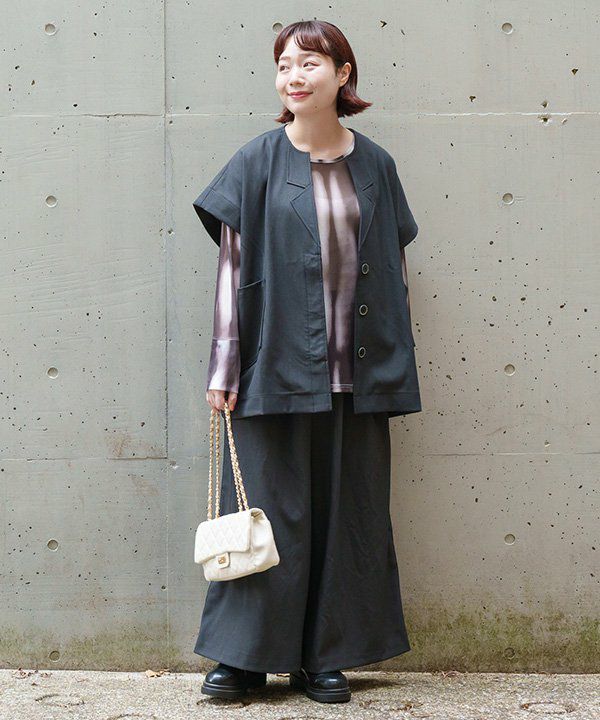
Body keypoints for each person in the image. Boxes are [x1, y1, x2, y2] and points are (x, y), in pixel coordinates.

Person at [192, 20, 421, 704]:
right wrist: (224, 366)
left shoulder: (375, 164)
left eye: (310, 62)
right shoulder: (255, 161)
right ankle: (243, 659)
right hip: (272, 365)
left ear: (343, 74)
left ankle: (326, 656)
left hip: (359, 372)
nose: (294, 76)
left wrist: (395, 360)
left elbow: (394, 266)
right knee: (266, 510)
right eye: (285, 64)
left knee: (349, 512)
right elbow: (232, 271)